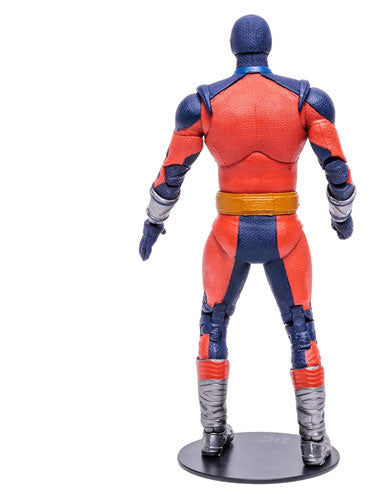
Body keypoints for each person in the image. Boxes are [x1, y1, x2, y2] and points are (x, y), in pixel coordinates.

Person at [139, 14, 356, 466]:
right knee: (301, 326)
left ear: (234, 47)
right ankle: (314, 441)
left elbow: (172, 172)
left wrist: (153, 224)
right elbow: (337, 169)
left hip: (229, 232)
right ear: (267, 46)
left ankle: (212, 435)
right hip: (284, 232)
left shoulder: (203, 104)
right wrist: (342, 217)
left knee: (213, 322)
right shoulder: (306, 100)